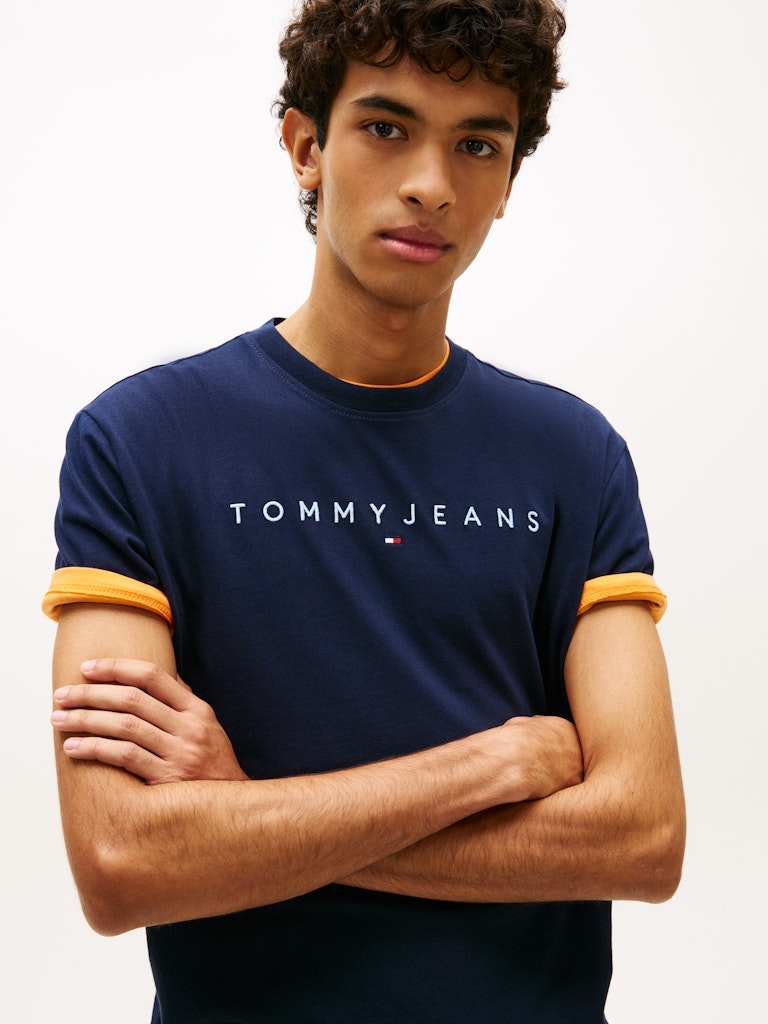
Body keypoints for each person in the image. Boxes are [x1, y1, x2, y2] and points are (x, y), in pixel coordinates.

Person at [44, 1, 685, 1021]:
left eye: (478, 144)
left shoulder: (574, 454)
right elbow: (123, 864)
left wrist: (246, 813)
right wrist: (486, 765)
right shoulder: (141, 439)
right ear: (306, 146)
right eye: (387, 127)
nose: (432, 184)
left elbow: (643, 840)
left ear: (509, 181)